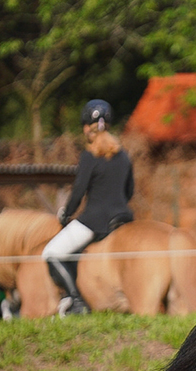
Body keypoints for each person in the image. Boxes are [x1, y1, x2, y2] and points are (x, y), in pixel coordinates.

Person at [42, 99, 134, 316]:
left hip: (95, 221)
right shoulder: (123, 155)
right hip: (123, 217)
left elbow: (78, 191)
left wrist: (66, 213)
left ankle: (76, 301)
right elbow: (129, 191)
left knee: (51, 253)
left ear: (86, 127)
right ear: (108, 125)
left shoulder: (89, 154)